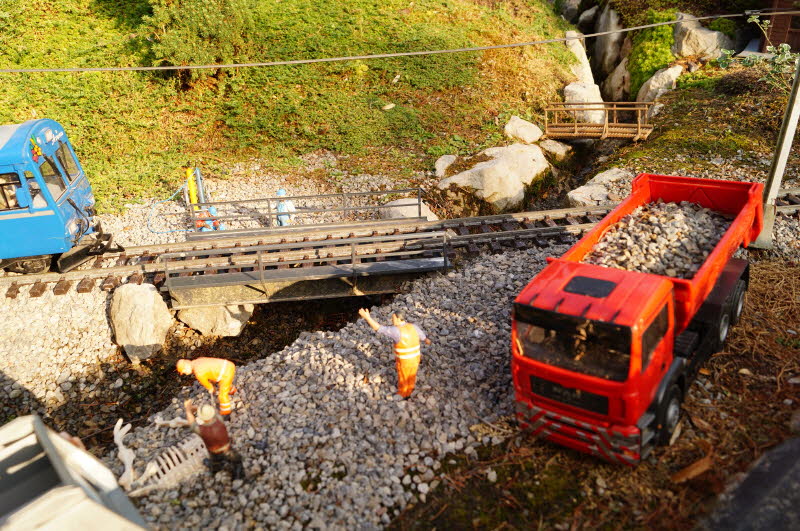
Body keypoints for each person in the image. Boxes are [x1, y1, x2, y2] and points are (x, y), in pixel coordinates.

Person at [358, 308, 431, 399]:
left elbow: (379, 328)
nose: (392, 320)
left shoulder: (396, 330)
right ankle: (410, 388)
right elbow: (422, 336)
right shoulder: (413, 326)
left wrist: (367, 318)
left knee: (403, 376)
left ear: (398, 318)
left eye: (393, 318)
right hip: (415, 358)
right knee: (412, 374)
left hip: (405, 360)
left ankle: (403, 394)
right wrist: (426, 340)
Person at [184, 399, 243, 478]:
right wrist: (199, 409)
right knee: (236, 460)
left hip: (215, 452)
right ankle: (239, 474)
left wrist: (188, 410)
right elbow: (213, 412)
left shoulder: (201, 430)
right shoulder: (219, 419)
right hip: (227, 447)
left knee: (216, 462)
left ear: (202, 418)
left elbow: (192, 423)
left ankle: (215, 470)